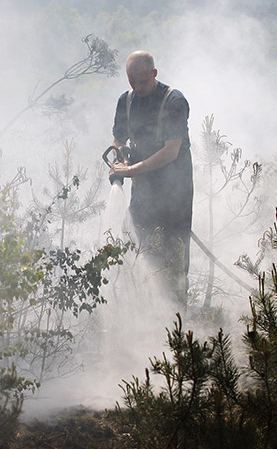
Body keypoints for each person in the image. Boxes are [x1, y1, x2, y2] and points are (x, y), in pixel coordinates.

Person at [109, 51, 193, 308]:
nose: (136, 88)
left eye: (142, 82)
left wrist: (132, 170)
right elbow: (118, 139)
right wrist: (119, 159)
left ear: (154, 74)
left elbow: (171, 151)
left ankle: (177, 325)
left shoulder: (174, 102)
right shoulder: (126, 101)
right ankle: (143, 316)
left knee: (173, 260)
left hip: (175, 196)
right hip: (143, 192)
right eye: (131, 82)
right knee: (138, 249)